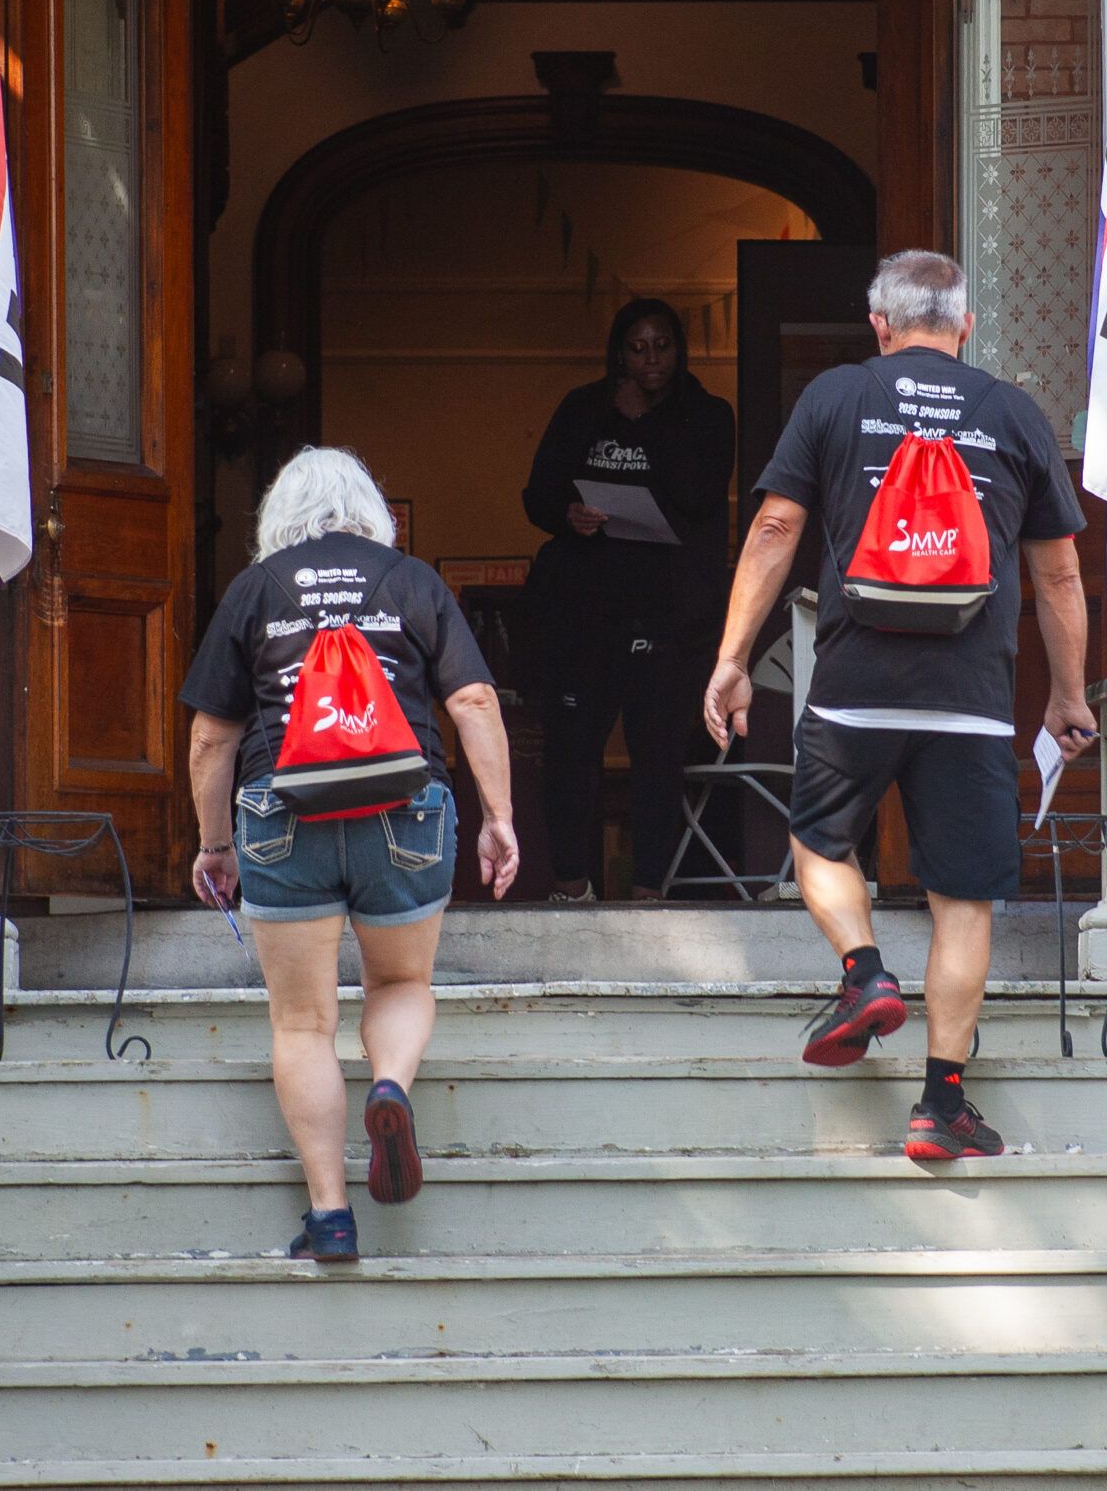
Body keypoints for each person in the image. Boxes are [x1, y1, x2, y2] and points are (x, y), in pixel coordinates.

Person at [704, 250, 1097, 1160]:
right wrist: (1066, 697)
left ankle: (863, 969)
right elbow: (1062, 571)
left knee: (818, 840)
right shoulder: (1012, 412)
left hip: (854, 686)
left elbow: (773, 528)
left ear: (878, 326)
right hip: (971, 698)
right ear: (965, 327)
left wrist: (730, 658)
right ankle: (940, 1103)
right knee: (964, 899)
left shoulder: (837, 397)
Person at [182, 448, 520, 1261]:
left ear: (278, 516)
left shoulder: (255, 589)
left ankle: (331, 1215)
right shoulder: (409, 579)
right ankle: (392, 1084)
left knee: (303, 1021)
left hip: (282, 813)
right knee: (400, 980)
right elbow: (472, 698)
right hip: (402, 811)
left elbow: (209, 737)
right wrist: (497, 815)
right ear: (371, 509)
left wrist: (216, 844)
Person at [522, 298, 736, 900]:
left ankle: (649, 892)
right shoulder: (582, 408)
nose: (650, 360)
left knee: (657, 757)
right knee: (570, 752)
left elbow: (698, 491)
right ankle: (570, 885)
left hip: (667, 616)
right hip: (583, 611)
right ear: (618, 352)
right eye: (637, 347)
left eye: (661, 346)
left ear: (679, 349)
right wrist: (569, 515)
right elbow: (536, 495)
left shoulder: (708, 414)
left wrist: (645, 423)